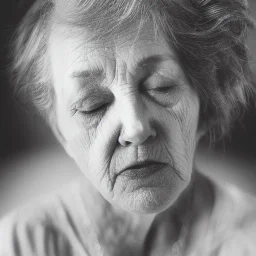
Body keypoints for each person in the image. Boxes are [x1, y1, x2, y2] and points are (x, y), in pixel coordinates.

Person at [0, 0, 256, 255]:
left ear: (206, 100)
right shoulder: (18, 244)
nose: (135, 128)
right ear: (60, 132)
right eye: (93, 105)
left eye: (160, 86)